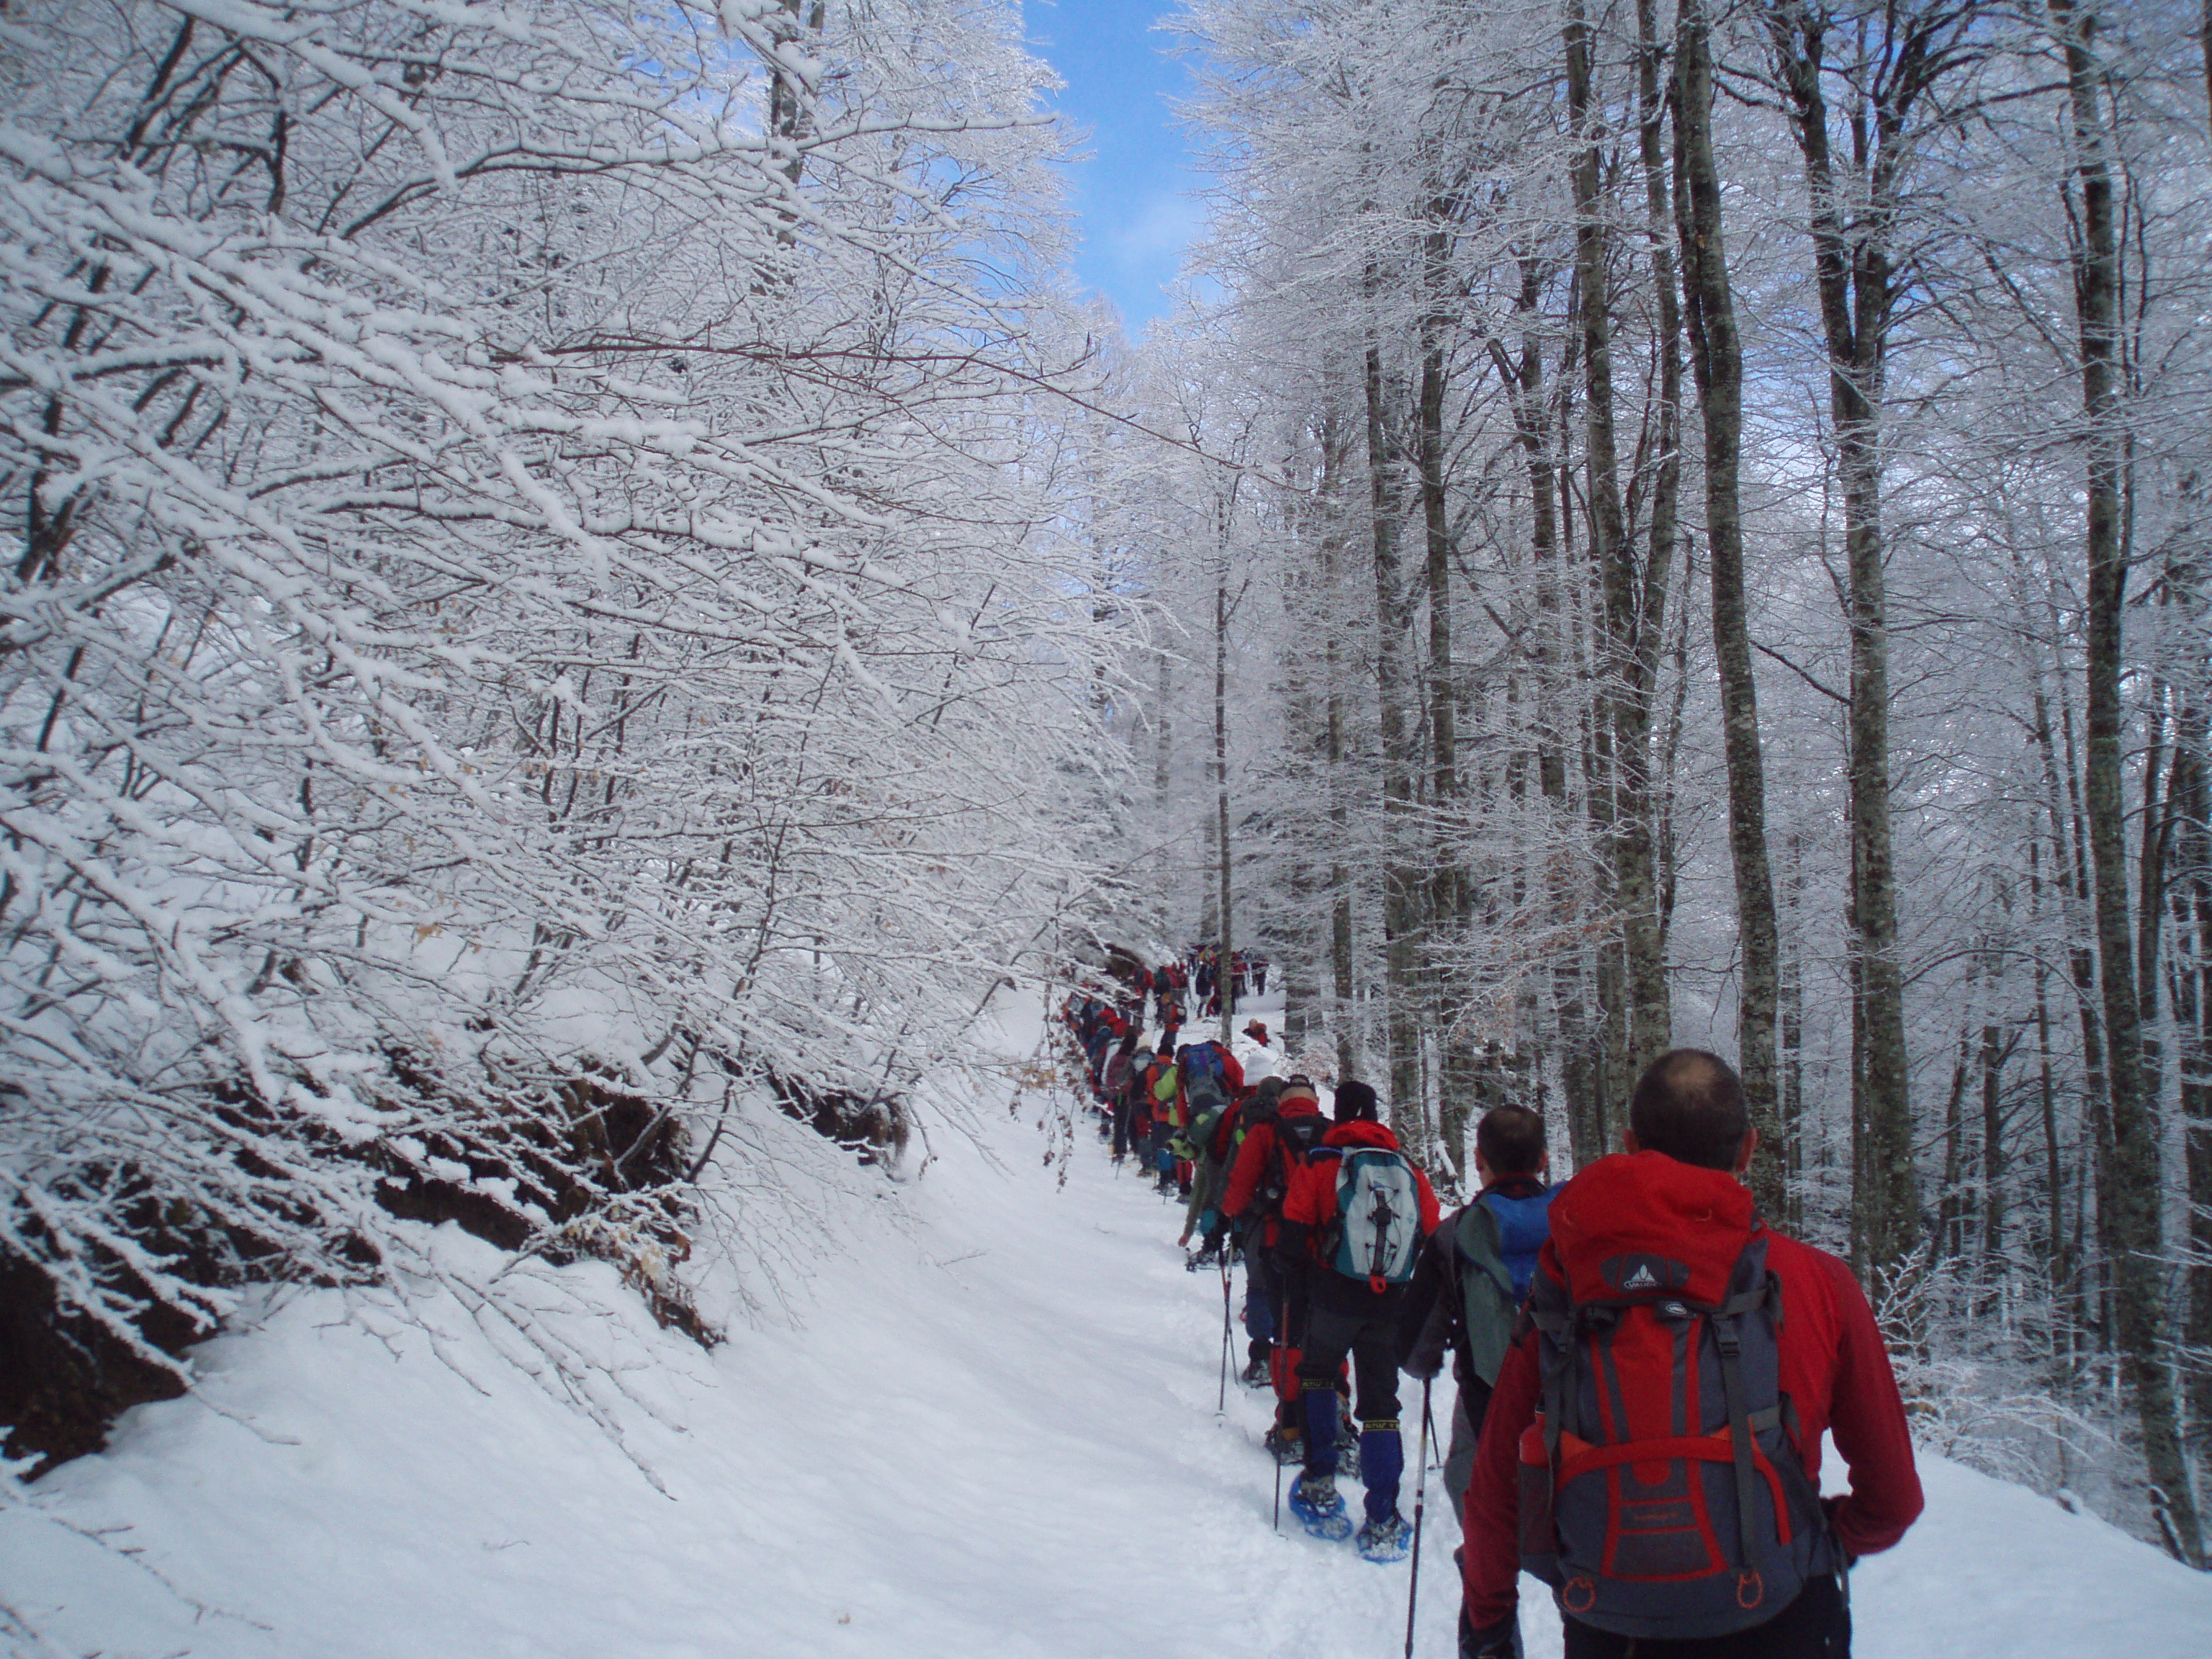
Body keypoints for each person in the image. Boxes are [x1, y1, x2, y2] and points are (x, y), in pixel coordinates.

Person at [1459, 1049, 1924, 1659]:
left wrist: (1489, 1619)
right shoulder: (1819, 1282)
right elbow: (1894, 1499)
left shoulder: (1571, 1280)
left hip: (1612, 1622)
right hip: (1781, 1613)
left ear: (1630, 1144)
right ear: (1748, 1149)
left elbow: (1494, 1482)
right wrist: (1827, 1541)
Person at [1280, 1079, 1441, 1560]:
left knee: (1316, 1379)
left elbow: (1293, 1233)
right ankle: (1384, 1514)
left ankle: (1320, 1484)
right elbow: (1432, 1230)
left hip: (1331, 1296)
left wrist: (1296, 1285)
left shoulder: (1323, 1162)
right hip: (1390, 1302)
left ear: (1340, 1114)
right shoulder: (1406, 1168)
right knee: (1381, 1404)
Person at [1398, 1104, 1555, 1508]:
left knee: (1469, 1484)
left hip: (1489, 1400)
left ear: (1479, 1161)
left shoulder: (1456, 1235)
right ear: (1543, 1160)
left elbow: (1414, 1350)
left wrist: (1430, 1357)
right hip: (1570, 1399)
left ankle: (1491, 1561)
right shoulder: (1574, 1223)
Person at [1223, 1074, 1331, 1429]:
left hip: (1274, 1239)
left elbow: (1240, 1186)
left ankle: (1286, 1411)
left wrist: (1230, 1214)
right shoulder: (1332, 1133)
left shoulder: (1265, 1132)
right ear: (1314, 1101)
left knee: (1282, 1321)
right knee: (1322, 1325)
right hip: (1323, 1248)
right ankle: (1333, 1408)